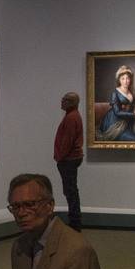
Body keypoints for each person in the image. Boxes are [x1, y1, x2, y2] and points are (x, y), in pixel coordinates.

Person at [98, 65, 135, 142]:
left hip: (130, 121)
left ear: (130, 79)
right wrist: (134, 114)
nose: (125, 81)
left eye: (127, 78)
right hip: (116, 123)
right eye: (123, 79)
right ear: (119, 80)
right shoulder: (115, 93)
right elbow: (117, 112)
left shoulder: (131, 92)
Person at [54, 92, 84, 231]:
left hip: (69, 159)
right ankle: (75, 220)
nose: (62, 101)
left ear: (72, 103)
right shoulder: (72, 116)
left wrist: (60, 157)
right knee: (71, 190)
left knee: (70, 191)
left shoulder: (71, 118)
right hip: (70, 158)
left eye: (65, 99)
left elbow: (67, 141)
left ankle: (75, 222)